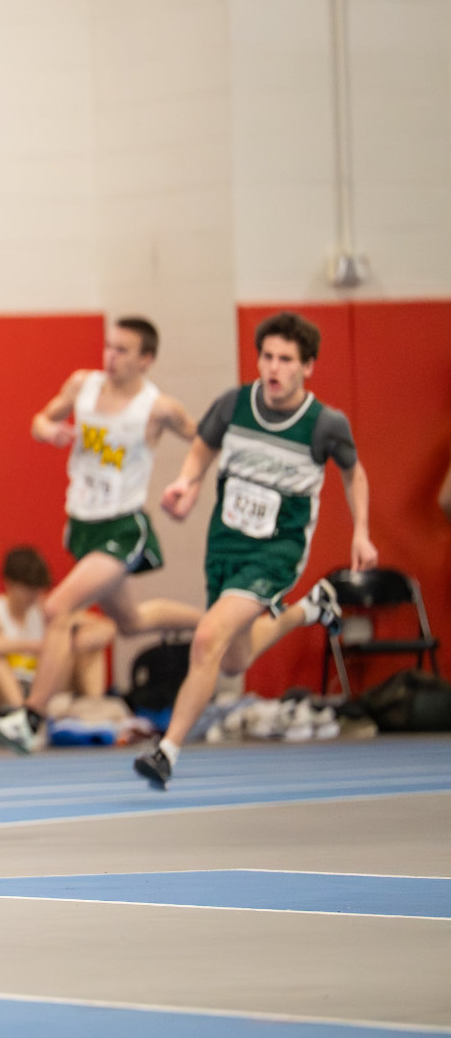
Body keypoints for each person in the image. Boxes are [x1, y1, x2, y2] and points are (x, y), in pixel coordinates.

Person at [135, 311, 373, 788]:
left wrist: (361, 530)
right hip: (225, 544)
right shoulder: (234, 404)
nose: (273, 368)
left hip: (277, 550)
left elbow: (354, 473)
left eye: (286, 359)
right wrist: (187, 482)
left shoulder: (325, 424)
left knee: (207, 637)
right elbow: (203, 446)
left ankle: (167, 751)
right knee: (232, 659)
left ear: (308, 366)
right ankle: (309, 609)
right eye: (267, 357)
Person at [0, 317, 203, 754]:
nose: (110, 357)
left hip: (123, 526)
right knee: (131, 622)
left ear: (146, 359)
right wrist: (48, 430)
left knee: (58, 608)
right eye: (108, 347)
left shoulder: (158, 408)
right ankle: (212, 623)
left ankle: (29, 718)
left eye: (123, 350)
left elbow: (203, 441)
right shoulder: (82, 385)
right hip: (84, 523)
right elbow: (40, 419)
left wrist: (187, 486)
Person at [0, 546, 115, 718]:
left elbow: (107, 627)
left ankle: (94, 709)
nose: (33, 595)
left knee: (90, 646)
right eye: (27, 589)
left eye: (36, 589)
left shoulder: (45, 607)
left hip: (43, 688)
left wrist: (70, 643)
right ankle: (22, 715)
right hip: (3, 694)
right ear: (9, 583)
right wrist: (33, 646)